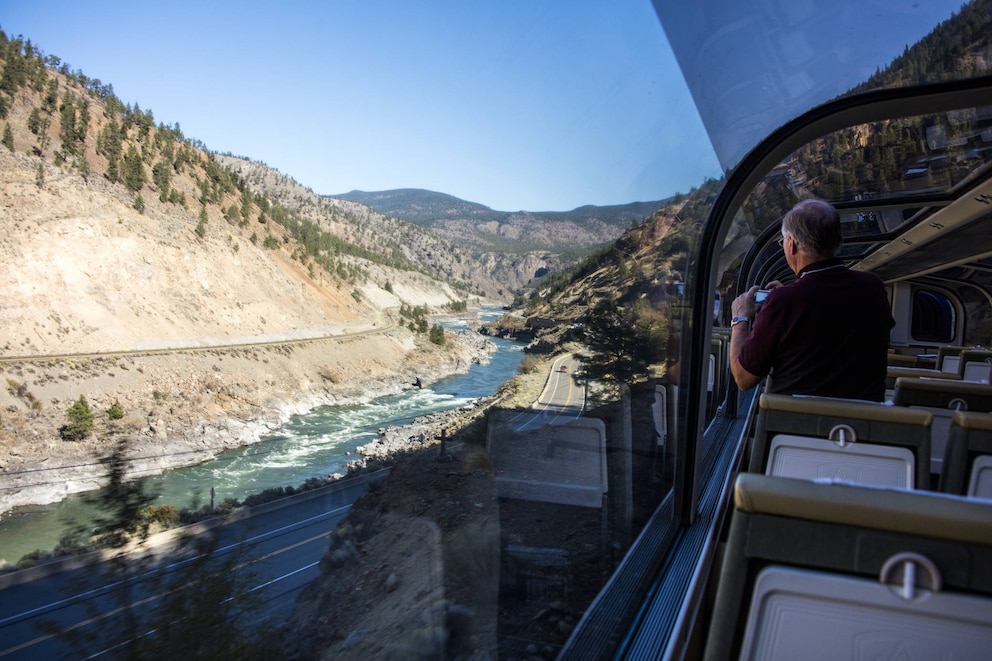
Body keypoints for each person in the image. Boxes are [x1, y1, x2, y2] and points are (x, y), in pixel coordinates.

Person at [729, 199, 894, 401]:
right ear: (837, 241)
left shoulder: (784, 302)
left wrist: (740, 320)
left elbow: (743, 379)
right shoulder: (873, 287)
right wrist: (789, 297)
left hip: (794, 428)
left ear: (790, 244)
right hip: (864, 426)